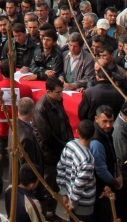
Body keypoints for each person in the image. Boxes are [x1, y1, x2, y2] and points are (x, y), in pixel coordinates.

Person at [33, 76, 73, 220]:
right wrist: (64, 147)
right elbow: (47, 137)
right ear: (48, 92)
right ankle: (46, 215)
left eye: (62, 91)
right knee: (48, 188)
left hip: (61, 150)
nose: (61, 95)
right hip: (49, 155)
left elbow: (66, 123)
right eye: (58, 92)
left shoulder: (58, 101)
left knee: (56, 186)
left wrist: (69, 142)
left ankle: (52, 212)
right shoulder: (41, 109)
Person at [57, 119, 97, 220]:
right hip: (82, 205)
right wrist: (72, 203)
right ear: (93, 135)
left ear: (77, 132)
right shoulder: (87, 159)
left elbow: (60, 168)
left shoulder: (70, 145)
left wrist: (64, 192)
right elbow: (79, 185)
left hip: (70, 197)